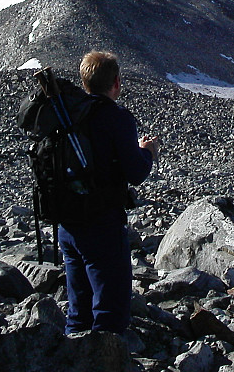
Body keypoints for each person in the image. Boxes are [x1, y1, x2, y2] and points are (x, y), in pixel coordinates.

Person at [57, 51, 159, 335]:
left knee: (78, 309)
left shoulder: (68, 115)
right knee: (110, 312)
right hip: (102, 221)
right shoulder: (116, 117)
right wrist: (147, 152)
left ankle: (75, 366)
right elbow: (135, 172)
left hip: (68, 221)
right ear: (116, 82)